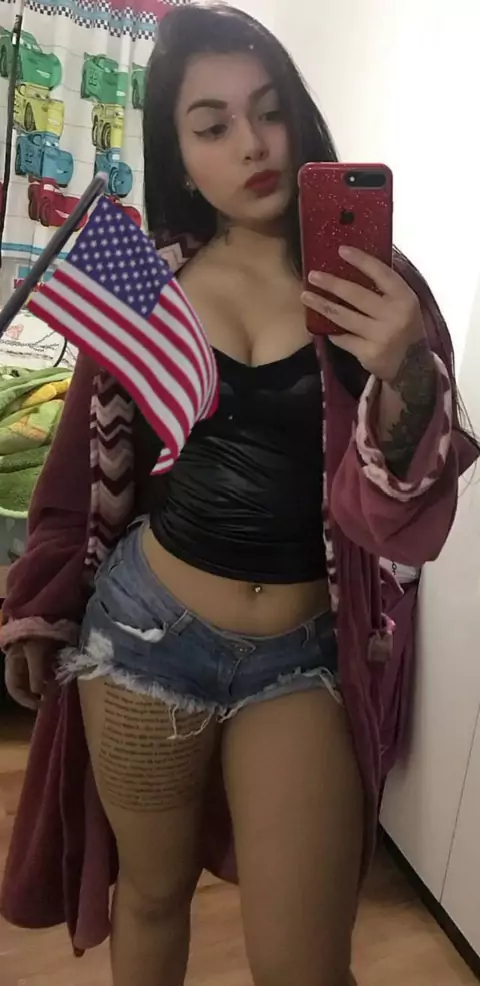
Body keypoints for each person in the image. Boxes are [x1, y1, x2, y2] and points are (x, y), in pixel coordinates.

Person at [1, 5, 478, 986]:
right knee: (151, 897)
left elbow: (400, 518)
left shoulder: (380, 287)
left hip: (302, 656)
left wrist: (406, 372)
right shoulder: (143, 275)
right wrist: (39, 605)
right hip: (144, 637)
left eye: (268, 111)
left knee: (306, 964)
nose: (253, 144)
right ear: (178, 153)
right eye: (212, 125)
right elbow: (79, 467)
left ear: (299, 117)